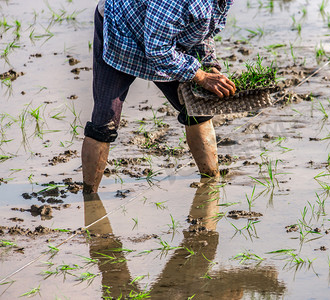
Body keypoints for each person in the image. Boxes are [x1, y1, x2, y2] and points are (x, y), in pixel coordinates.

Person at [82, 0, 236, 194]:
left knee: (197, 107)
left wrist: (207, 63)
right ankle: (89, 197)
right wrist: (201, 76)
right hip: (122, 28)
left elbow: (203, 29)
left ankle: (211, 183)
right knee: (105, 121)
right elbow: (158, 50)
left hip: (161, 34)